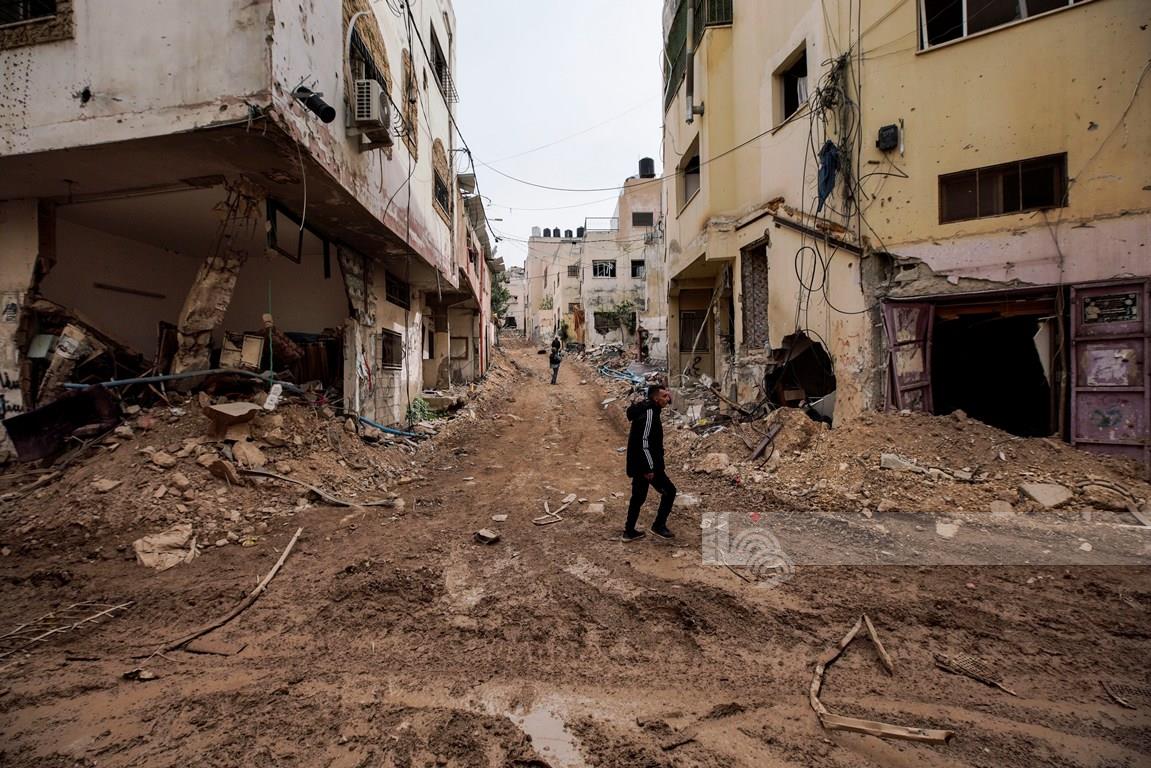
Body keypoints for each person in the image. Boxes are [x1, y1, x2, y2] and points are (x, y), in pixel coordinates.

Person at [623, 383, 676, 541]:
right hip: (647, 466)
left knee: (638, 497)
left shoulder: (649, 409)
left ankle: (629, 531)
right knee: (670, 491)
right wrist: (649, 468)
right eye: (664, 396)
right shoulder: (650, 413)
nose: (667, 398)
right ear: (656, 398)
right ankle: (658, 525)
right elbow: (644, 442)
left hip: (641, 464)